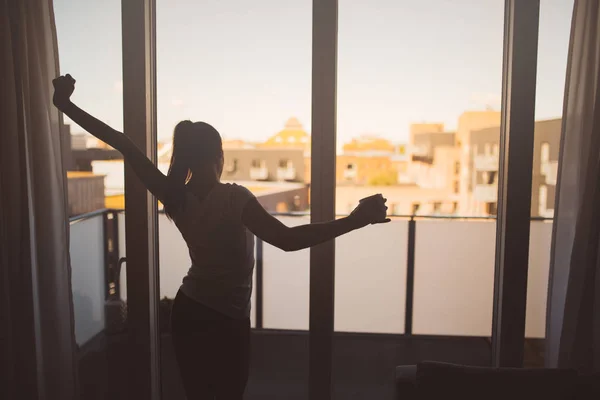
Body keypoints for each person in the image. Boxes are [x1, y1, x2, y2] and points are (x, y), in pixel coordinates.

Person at [52, 74, 389, 399]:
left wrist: (65, 105)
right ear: (218, 156)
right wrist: (354, 221)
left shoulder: (175, 196)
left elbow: (123, 144)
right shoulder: (234, 197)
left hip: (190, 313)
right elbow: (288, 240)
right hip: (228, 322)